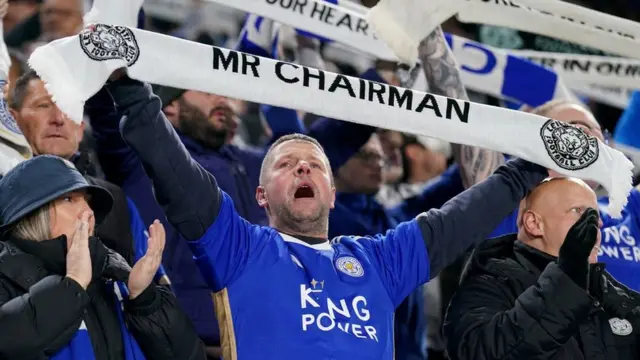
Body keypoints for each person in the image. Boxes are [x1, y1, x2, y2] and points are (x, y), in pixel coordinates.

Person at [102, 59, 551, 358]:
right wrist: (130, 91)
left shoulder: (378, 260)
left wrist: (532, 164)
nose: (302, 168)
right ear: (261, 198)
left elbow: (458, 221)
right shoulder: (239, 248)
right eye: (284, 164)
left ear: (332, 193)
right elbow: (177, 174)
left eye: (314, 165)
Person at [0, 155, 205, 359]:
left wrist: (145, 299)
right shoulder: (5, 275)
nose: (88, 211)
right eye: (68, 199)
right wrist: (73, 284)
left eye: (87, 201)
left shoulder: (112, 272)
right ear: (30, 214)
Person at [444, 177, 640, 359]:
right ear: (534, 223)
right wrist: (569, 275)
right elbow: (479, 352)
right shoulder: (489, 282)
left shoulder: (618, 298)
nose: (593, 225)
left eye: (595, 217)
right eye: (578, 211)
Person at [9, 70, 168, 282]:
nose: (58, 119)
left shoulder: (116, 201)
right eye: (43, 106)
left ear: (81, 129)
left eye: (68, 108)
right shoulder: (5, 202)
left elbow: (156, 293)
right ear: (11, 119)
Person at [489, 98, 640, 291]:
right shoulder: (512, 210)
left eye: (599, 133)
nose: (592, 137)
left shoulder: (627, 209)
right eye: (576, 128)